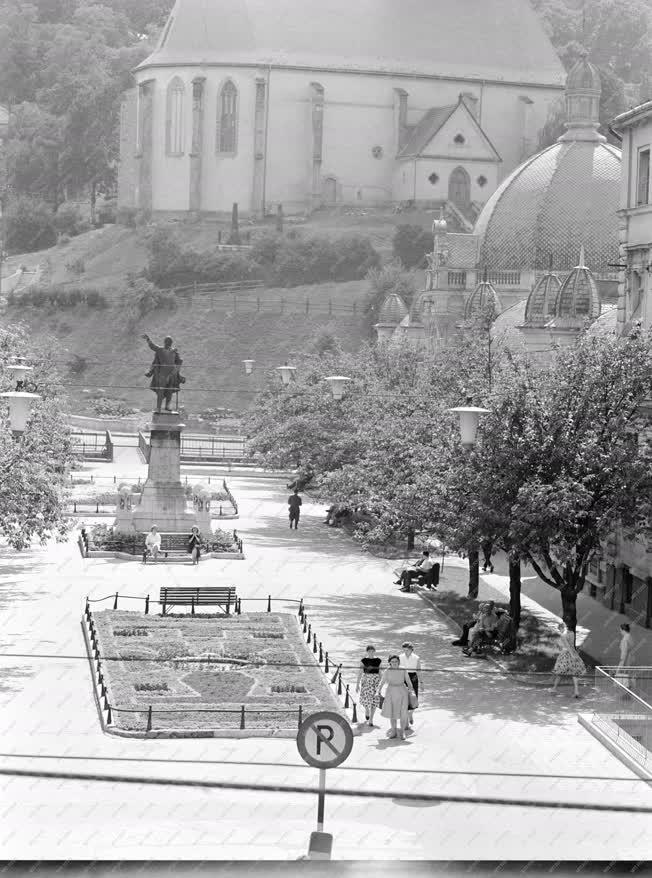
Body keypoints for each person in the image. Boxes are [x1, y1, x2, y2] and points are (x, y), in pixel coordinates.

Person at [142, 333, 185, 412]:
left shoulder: (174, 352)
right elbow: (152, 346)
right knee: (161, 391)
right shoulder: (160, 349)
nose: (169, 343)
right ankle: (158, 408)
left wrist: (179, 363)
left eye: (170, 342)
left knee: (170, 391)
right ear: (165, 342)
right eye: (167, 341)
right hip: (162, 374)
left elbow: (179, 361)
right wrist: (148, 339)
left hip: (172, 374)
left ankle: (167, 407)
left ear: (171, 343)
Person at [378, 655, 416, 740]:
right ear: (390, 662)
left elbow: (408, 681)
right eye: (392, 662)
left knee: (403, 713)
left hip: (402, 692)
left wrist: (411, 690)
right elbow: (382, 682)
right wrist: (378, 691)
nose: (394, 663)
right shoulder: (387, 671)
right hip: (390, 692)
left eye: (396, 661)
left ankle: (402, 732)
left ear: (398, 662)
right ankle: (394, 731)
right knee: (392, 713)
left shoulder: (403, 669)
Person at [550, 622, 586, 698]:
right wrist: (574, 654)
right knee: (574, 673)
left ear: (562, 628)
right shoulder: (572, 633)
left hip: (565, 655)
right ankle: (576, 691)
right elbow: (572, 646)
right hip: (572, 652)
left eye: (560, 629)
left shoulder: (563, 636)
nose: (560, 631)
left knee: (560, 673)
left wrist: (572, 655)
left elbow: (567, 647)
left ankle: (554, 689)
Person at [355, 645, 382, 726]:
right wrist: (357, 684)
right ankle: (367, 709)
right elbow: (360, 672)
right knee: (365, 698)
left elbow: (380, 672)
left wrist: (382, 684)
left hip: (375, 681)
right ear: (367, 652)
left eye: (372, 651)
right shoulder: (363, 660)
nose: (371, 653)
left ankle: (371, 719)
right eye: (369, 651)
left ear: (374, 651)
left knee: (375, 700)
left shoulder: (378, 660)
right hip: (366, 681)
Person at [399, 642, 421, 729]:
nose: (405, 652)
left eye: (407, 650)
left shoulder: (416, 658)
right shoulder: (400, 657)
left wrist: (422, 682)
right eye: (404, 650)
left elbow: (418, 670)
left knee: (413, 698)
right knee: (403, 699)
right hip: (403, 677)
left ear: (411, 649)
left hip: (413, 677)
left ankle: (410, 714)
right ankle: (406, 721)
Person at [616, 623, 633, 688]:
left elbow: (624, 653)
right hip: (630, 659)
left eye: (620, 630)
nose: (620, 632)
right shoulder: (630, 636)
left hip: (625, 661)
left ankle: (623, 691)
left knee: (621, 678)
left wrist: (621, 665)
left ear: (623, 630)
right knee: (628, 677)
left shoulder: (625, 639)